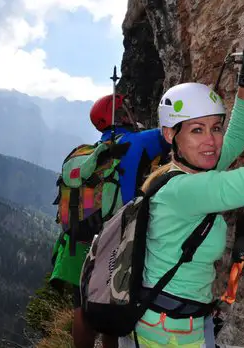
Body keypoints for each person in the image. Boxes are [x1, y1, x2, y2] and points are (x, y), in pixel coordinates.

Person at [117, 27, 244, 348]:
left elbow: (237, 138)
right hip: (169, 335)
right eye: (197, 130)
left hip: (171, 322)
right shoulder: (187, 191)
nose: (211, 141)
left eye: (214, 127)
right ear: (169, 136)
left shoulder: (176, 172)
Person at [50, 92, 172, 348]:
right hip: (115, 236)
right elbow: (174, 134)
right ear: (120, 116)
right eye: (126, 109)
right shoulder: (141, 142)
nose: (132, 112)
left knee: (82, 306)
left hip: (80, 236)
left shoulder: (90, 155)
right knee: (112, 303)